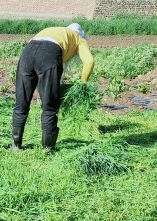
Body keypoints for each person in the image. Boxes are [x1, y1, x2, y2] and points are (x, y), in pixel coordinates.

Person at [11, 22, 94, 152]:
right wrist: (83, 84)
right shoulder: (79, 39)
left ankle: (15, 145)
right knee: (49, 105)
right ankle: (48, 148)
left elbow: (37, 49)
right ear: (81, 34)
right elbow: (89, 61)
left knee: (21, 102)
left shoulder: (55, 31)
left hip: (27, 52)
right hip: (49, 54)